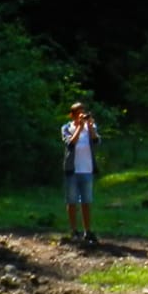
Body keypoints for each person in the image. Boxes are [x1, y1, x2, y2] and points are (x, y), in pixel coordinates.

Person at [60, 101, 101, 246]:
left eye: (82, 113)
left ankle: (87, 230)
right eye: (78, 113)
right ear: (72, 115)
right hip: (72, 170)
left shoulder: (90, 127)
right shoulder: (66, 128)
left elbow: (96, 142)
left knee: (86, 201)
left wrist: (90, 127)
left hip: (87, 169)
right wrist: (79, 128)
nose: (81, 116)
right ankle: (73, 230)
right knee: (71, 201)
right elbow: (70, 143)